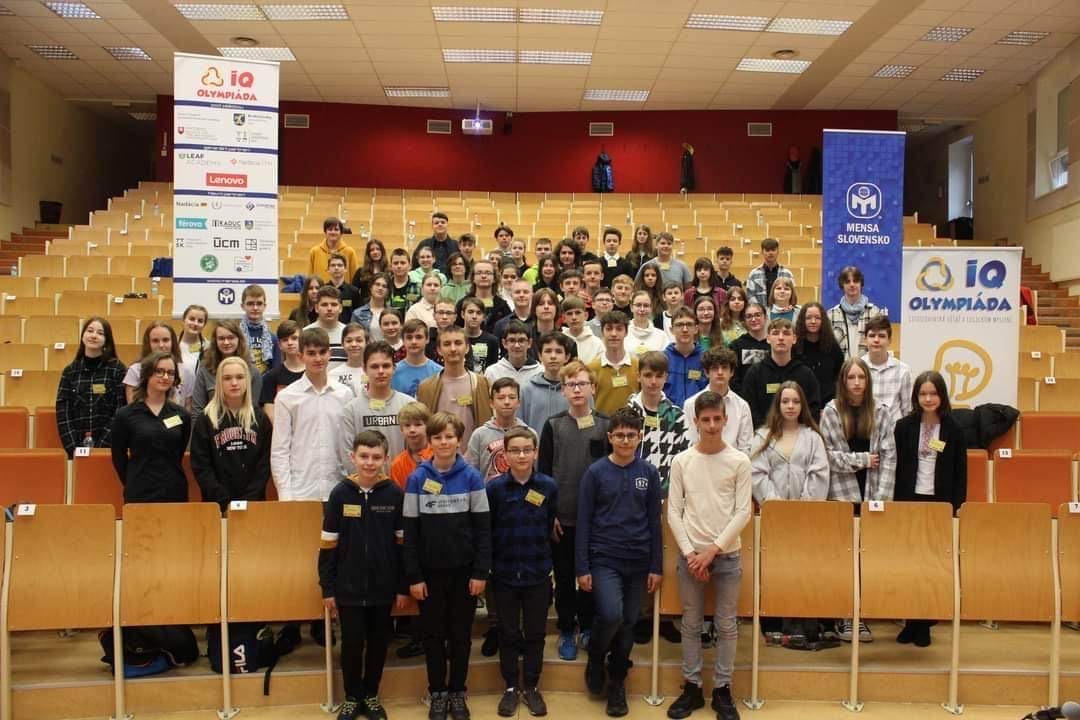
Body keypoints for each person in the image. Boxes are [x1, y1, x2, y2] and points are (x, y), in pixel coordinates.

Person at [666, 391, 750, 720]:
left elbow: (743, 512)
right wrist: (691, 554)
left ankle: (722, 690)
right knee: (691, 623)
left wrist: (712, 551)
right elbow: (674, 512)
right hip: (691, 557)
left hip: (726, 556)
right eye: (706, 420)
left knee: (726, 625)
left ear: (725, 420)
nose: (712, 425)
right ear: (696, 422)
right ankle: (692, 686)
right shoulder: (682, 461)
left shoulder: (739, 461)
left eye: (717, 419)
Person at [403, 412, 491, 720]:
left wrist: (480, 572)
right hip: (428, 575)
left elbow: (483, 530)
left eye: (449, 436)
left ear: (459, 440)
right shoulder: (417, 479)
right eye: (438, 437)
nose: (444, 442)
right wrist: (414, 576)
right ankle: (438, 691)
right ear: (430, 441)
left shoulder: (472, 477)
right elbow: (410, 533)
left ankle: (457, 691)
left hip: (464, 574)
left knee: (461, 636)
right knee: (433, 635)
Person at [577, 407, 662, 718]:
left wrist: (656, 566)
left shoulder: (649, 473)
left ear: (640, 437)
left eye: (631, 435)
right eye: (620, 435)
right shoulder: (596, 473)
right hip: (605, 557)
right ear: (610, 437)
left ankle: (616, 680)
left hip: (638, 560)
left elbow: (654, 522)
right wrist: (582, 567)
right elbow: (584, 521)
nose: (625, 440)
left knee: (628, 621)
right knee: (611, 614)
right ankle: (596, 655)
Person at [319, 429, 407, 720]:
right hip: (348, 588)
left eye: (376, 457)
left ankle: (371, 694)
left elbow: (402, 545)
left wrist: (401, 586)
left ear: (385, 458)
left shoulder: (394, 494)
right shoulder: (340, 494)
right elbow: (328, 545)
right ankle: (352, 696)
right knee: (352, 645)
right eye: (364, 456)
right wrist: (328, 588)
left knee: (379, 644)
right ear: (353, 457)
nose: (370, 463)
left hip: (383, 587)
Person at [819, 358, 897, 644]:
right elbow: (828, 457)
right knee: (841, 559)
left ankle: (859, 615)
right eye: (851, 377)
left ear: (868, 381)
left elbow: (888, 458)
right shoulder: (830, 411)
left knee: (865, 559)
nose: (856, 383)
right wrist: (863, 460)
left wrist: (880, 500)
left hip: (872, 496)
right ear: (843, 381)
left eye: (861, 377)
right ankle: (842, 615)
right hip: (841, 495)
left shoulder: (881, 411)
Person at [539, 360, 608, 661]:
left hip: (596, 521)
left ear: (593, 388)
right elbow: (542, 475)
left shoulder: (606, 425)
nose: (577, 389)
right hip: (563, 518)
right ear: (563, 390)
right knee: (565, 578)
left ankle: (588, 627)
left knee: (591, 578)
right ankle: (567, 629)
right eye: (571, 385)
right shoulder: (553, 426)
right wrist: (549, 514)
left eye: (582, 384)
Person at [892, 370, 966, 648]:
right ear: (915, 397)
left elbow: (961, 472)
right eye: (922, 393)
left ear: (942, 395)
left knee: (931, 564)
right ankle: (911, 620)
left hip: (939, 504)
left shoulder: (954, 429)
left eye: (933, 393)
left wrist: (954, 507)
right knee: (909, 563)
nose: (928, 399)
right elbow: (896, 467)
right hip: (909, 500)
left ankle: (924, 623)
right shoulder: (904, 427)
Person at [488, 427, 556, 718]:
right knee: (507, 633)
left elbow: (549, 524)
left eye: (527, 449)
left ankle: (531, 685)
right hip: (503, 573)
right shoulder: (494, 489)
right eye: (514, 450)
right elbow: (488, 530)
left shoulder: (548, 486)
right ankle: (510, 686)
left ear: (535, 452)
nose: (521, 455)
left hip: (537, 572)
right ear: (505, 454)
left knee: (536, 633)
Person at [271, 328, 354, 501]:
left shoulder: (345, 394)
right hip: (301, 492)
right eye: (311, 353)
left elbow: (350, 444)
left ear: (330, 354)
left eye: (322, 352)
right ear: (301, 356)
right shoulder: (286, 397)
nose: (318, 358)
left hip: (338, 489)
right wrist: (285, 495)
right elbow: (280, 451)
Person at [190, 357, 272, 510]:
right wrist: (224, 501)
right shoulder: (206, 419)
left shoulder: (260, 419)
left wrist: (247, 501)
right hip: (215, 505)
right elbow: (201, 466)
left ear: (247, 380)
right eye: (227, 378)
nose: (234, 383)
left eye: (239, 377)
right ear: (219, 382)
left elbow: (264, 466)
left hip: (253, 504)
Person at [109, 351, 191, 503]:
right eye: (159, 371)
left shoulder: (182, 415)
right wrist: (133, 480)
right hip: (139, 491)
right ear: (147, 373)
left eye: (170, 373)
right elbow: (118, 457)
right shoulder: (125, 415)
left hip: (174, 490)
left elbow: (179, 452)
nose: (165, 377)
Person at [56, 316, 127, 458]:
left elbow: (121, 409)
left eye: (100, 333)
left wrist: (102, 447)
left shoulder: (117, 369)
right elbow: (63, 412)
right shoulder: (70, 372)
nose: (94, 336)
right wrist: (73, 448)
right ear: (83, 336)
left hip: (109, 449)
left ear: (107, 340)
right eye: (90, 331)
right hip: (75, 449)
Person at [415, 325, 493, 454]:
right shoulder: (426, 387)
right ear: (439, 350)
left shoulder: (481, 383)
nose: (453, 349)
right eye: (447, 344)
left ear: (467, 348)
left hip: (473, 459)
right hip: (437, 459)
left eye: (458, 343)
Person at [750, 382, 829, 503]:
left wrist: (805, 505)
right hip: (773, 509)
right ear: (778, 404)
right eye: (785, 401)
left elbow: (819, 473)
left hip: (807, 510)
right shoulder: (762, 437)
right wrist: (775, 503)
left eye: (796, 402)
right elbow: (756, 473)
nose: (791, 406)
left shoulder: (813, 438)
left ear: (802, 405)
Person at [341, 340, 414, 470]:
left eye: (386, 366)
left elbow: (419, 450)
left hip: (402, 480)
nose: (381, 371)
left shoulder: (409, 405)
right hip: (366, 481)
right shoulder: (351, 410)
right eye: (374, 367)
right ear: (364, 369)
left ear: (394, 368)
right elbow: (348, 455)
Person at [740, 318, 821, 429]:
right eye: (775, 333)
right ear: (768, 338)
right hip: (764, 435)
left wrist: (796, 432)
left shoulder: (806, 374)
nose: (781, 338)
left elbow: (813, 410)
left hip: (799, 434)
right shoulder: (754, 373)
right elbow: (750, 410)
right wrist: (767, 432)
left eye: (786, 333)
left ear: (794, 339)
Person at [629, 351, 690, 492]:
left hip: (666, 493)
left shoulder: (678, 417)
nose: (653, 381)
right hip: (631, 491)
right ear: (638, 376)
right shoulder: (627, 413)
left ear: (666, 377)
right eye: (648, 375)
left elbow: (684, 459)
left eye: (659, 376)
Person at [683, 347, 753, 454]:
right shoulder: (691, 404)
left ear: (732, 372)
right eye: (715, 368)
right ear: (706, 372)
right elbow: (690, 443)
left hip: (733, 462)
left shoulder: (742, 406)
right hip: (700, 461)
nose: (720, 372)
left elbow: (745, 447)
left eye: (724, 368)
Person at [192, 319, 263, 423]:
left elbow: (253, 410)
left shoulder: (253, 372)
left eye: (231, 337)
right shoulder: (205, 370)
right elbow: (197, 410)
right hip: (211, 428)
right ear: (215, 341)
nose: (226, 342)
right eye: (221, 338)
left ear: (239, 339)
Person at [123, 321, 194, 407]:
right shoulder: (135, 370)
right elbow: (132, 409)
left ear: (173, 342)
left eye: (165, 340)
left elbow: (188, 407)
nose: (161, 345)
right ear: (148, 344)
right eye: (155, 341)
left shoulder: (186, 370)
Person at [828, 265, 887, 360]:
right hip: (841, 367)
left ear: (861, 284)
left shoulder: (874, 313)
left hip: (868, 367)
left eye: (855, 281)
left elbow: (881, 344)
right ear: (842, 285)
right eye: (847, 282)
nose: (852, 284)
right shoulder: (831, 315)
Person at [794, 303, 845, 412]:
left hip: (828, 407)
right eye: (808, 318)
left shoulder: (832, 346)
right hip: (801, 407)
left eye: (817, 318)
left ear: (823, 321)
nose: (813, 321)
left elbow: (839, 375)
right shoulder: (795, 347)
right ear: (802, 320)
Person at [588, 311, 639, 415]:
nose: (614, 334)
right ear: (602, 332)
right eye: (609, 329)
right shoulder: (591, 368)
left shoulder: (638, 366)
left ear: (626, 332)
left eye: (619, 329)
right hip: (602, 424)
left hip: (632, 424)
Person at [519, 331, 572, 432]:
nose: (553, 356)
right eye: (548, 351)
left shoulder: (577, 388)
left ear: (567, 357)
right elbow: (519, 427)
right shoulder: (526, 390)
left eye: (558, 351)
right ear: (540, 356)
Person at [862, 316, 913, 417]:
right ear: (865, 340)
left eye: (881, 336)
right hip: (864, 426)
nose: (876, 340)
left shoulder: (903, 371)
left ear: (889, 340)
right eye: (872, 336)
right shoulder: (857, 369)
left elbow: (908, 411)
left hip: (894, 426)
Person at [260, 320, 306, 422]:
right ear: (280, 345)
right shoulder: (270, 377)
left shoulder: (312, 373)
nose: (290, 343)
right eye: (285, 340)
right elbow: (269, 411)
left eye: (294, 338)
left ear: (302, 341)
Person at [663, 307, 707, 408]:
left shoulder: (706, 358)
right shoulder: (663, 359)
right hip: (670, 415)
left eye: (689, 324)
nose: (685, 329)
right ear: (671, 330)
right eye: (679, 325)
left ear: (696, 329)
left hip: (699, 413)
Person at [485, 320, 542, 386]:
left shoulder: (540, 372)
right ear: (504, 343)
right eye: (512, 340)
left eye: (521, 340)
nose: (517, 345)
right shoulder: (492, 372)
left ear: (529, 343)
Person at [394, 320, 442, 397]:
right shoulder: (393, 372)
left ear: (427, 339)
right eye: (409, 337)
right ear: (403, 340)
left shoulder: (439, 372)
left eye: (419, 337)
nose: (414, 342)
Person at [729, 303, 769, 394]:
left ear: (766, 317)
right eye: (749, 316)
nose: (753, 319)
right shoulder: (736, 346)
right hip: (744, 397)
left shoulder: (774, 343)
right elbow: (733, 377)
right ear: (745, 320)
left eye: (757, 315)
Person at [239, 284, 279, 375]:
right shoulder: (236, 336)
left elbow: (276, 370)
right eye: (250, 304)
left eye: (259, 303)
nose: (255, 308)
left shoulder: (273, 338)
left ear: (264, 306)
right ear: (242, 306)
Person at [744, 238, 795, 308]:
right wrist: (761, 310)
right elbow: (750, 295)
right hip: (760, 312)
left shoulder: (787, 274)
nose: (770, 253)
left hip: (782, 311)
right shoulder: (753, 274)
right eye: (767, 250)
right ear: (762, 252)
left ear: (778, 252)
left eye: (773, 250)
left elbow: (792, 295)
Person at [305, 285, 348, 368]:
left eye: (334, 304)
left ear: (340, 308)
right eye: (324, 305)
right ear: (316, 308)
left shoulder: (349, 334)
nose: (329, 308)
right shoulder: (305, 333)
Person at [466, 259, 512, 334]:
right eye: (479, 273)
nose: (484, 276)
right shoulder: (463, 303)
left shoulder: (502, 306)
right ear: (473, 278)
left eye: (488, 273)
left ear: (494, 278)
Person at [460, 297, 500, 375]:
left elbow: (495, 369)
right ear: (462, 314)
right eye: (470, 312)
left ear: (484, 317)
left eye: (479, 313)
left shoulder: (492, 341)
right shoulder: (455, 338)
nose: (474, 316)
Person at [562, 295, 604, 365]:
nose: (574, 317)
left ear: (585, 315)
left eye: (578, 313)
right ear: (564, 318)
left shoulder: (597, 344)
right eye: (569, 314)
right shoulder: (559, 342)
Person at [328, 323, 368, 396]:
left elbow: (381, 399)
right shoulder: (332, 375)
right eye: (349, 341)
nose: (354, 344)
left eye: (359, 340)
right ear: (342, 344)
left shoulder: (375, 372)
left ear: (367, 343)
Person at [626, 291, 669, 358]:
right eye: (638, 305)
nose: (642, 309)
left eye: (646, 305)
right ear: (631, 307)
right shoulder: (623, 333)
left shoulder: (662, 336)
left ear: (651, 308)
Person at [352, 272, 390, 341]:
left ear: (387, 291)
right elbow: (353, 337)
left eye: (384, 286)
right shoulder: (358, 313)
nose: (380, 288)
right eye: (377, 284)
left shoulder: (393, 313)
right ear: (370, 287)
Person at [350, 238, 388, 304]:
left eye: (378, 249)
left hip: (383, 305)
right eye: (372, 250)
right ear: (368, 254)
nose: (375, 252)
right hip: (364, 306)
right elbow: (353, 292)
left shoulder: (389, 271)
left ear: (382, 251)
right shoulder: (361, 271)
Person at [388, 249, 421, 315]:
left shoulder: (418, 287)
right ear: (391, 266)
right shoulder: (385, 286)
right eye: (396, 263)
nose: (399, 266)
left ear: (410, 266)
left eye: (403, 263)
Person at [178, 304, 209, 372]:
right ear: (183, 320)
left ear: (204, 325)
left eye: (200, 321)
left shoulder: (208, 347)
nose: (195, 324)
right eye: (192, 319)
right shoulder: (172, 344)